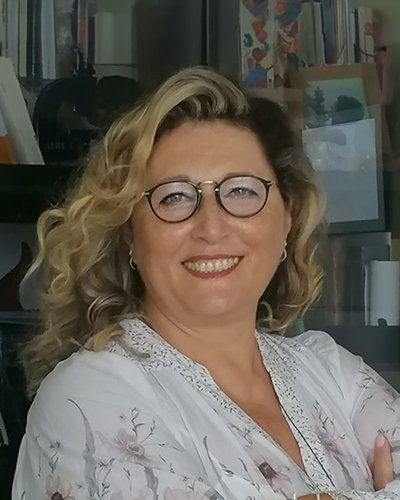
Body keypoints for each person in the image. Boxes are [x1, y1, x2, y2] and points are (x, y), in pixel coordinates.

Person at [12, 66, 399, 500]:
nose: (211, 228)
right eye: (174, 197)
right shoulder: (86, 398)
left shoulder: (330, 371)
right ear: (129, 232)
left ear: (287, 217)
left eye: (241, 191)